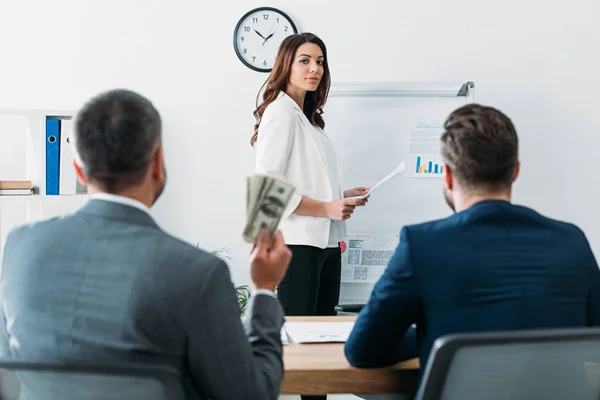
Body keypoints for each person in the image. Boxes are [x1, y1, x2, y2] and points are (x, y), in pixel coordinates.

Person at [0, 89, 292, 400]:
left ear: (78, 169)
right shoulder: (198, 273)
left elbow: (10, 373)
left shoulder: (19, 247)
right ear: (157, 163)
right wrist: (263, 289)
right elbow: (251, 396)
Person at [345, 104, 600, 386]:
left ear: (448, 176)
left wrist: (434, 339)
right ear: (515, 170)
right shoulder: (572, 242)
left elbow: (363, 350)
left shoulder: (421, 245)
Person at [252, 32, 369, 328]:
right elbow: (268, 190)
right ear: (286, 66)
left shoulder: (309, 119)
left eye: (320, 61)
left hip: (325, 244)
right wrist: (327, 209)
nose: (315, 68)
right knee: (297, 336)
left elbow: (304, 179)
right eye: (304, 61)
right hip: (298, 244)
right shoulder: (280, 112)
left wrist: (340, 196)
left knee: (322, 333)